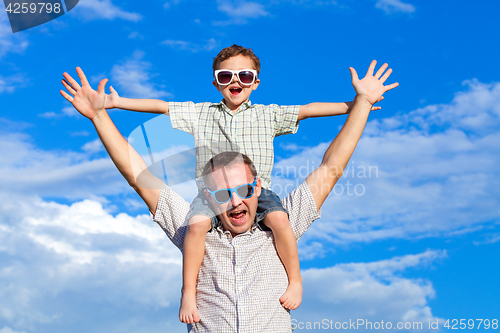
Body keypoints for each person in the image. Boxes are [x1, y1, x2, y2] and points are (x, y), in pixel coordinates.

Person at [60, 60, 398, 332]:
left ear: (259, 188)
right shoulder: (194, 228)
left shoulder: (281, 226)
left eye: (245, 191)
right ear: (208, 195)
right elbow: (139, 176)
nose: (236, 201)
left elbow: (330, 168)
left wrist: (361, 104)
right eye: (223, 193)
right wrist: (100, 116)